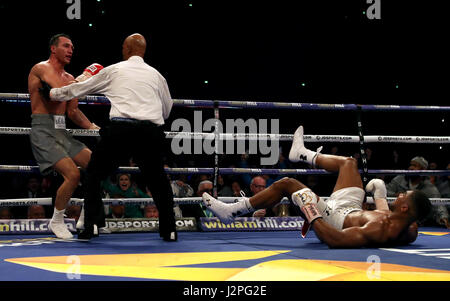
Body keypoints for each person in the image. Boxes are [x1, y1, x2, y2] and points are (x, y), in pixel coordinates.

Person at [202, 126, 432, 248]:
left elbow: (335, 240)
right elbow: (386, 213)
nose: (400, 194)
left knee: (287, 184)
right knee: (349, 163)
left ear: (404, 209)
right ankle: (301, 153)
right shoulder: (408, 229)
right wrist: (380, 193)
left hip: (334, 220)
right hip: (350, 208)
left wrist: (311, 212)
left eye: (404, 195)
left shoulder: (379, 229)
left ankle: (231, 211)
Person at [46, 33, 176, 241]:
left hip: (121, 131)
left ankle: (92, 227)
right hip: (151, 132)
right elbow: (167, 109)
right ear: (143, 51)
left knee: (94, 176)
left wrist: (54, 94)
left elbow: (80, 89)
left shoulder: (115, 69)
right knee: (159, 181)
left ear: (126, 49)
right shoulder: (157, 75)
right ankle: (169, 231)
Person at [27, 33, 99, 239]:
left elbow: (73, 112)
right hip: (43, 131)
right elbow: (58, 92)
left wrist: (95, 128)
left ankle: (87, 218)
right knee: (73, 175)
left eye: (72, 47)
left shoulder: (70, 79)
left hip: (63, 133)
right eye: (66, 46)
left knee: (97, 166)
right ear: (53, 48)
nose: (70, 50)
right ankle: (57, 220)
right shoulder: (41, 68)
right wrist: (82, 81)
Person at [386, 156, 446, 228]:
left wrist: (444, 218)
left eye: (414, 166)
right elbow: (386, 191)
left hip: (419, 224)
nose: (410, 168)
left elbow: (439, 205)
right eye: (410, 165)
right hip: (395, 220)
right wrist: (396, 195)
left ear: (423, 170)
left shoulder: (429, 187)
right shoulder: (399, 179)